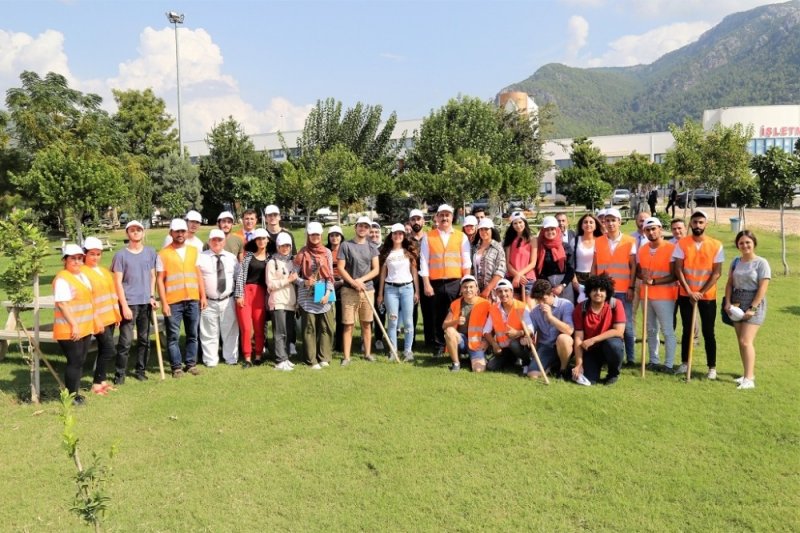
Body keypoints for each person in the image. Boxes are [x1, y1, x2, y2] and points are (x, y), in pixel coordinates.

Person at [672, 210, 724, 379]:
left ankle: (712, 367)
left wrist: (700, 292)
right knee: (687, 330)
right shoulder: (682, 244)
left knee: (709, 331)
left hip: (707, 296)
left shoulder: (716, 244)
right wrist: (689, 291)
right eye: (694, 222)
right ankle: (685, 363)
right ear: (690, 224)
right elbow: (678, 269)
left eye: (701, 222)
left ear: (706, 224)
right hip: (686, 294)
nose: (697, 225)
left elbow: (717, 273)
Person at [419, 204, 472, 357]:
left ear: (451, 217)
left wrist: (465, 283)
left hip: (456, 282)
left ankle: (457, 345)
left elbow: (466, 262)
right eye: (441, 215)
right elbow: (424, 261)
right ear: (436, 217)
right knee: (438, 315)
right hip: (435, 283)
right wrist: (426, 284)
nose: (444, 218)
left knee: (457, 315)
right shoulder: (428, 236)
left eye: (447, 215)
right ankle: (439, 347)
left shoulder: (461, 237)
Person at [157, 218, 206, 378]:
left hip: (192, 299)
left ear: (186, 232)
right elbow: (159, 279)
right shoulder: (163, 254)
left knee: (193, 334)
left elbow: (198, 274)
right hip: (173, 301)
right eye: (177, 231)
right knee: (173, 336)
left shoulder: (193, 251)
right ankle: (176, 367)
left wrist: (203, 296)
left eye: (182, 231)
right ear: (171, 233)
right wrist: (164, 303)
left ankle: (191, 364)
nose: (180, 234)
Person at [112, 220, 158, 383]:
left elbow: (153, 276)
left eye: (139, 230)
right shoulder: (120, 255)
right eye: (132, 230)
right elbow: (117, 282)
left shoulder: (151, 252)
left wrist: (152, 296)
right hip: (129, 303)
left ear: (143, 233)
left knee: (144, 340)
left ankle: (140, 370)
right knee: (125, 341)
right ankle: (120, 374)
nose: (136, 232)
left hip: (145, 302)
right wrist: (124, 306)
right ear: (127, 233)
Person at [723, 230, 770, 390]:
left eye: (748, 242)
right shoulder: (736, 261)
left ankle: (749, 379)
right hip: (736, 302)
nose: (744, 245)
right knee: (740, 342)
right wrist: (728, 302)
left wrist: (753, 307)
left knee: (745, 341)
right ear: (737, 245)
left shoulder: (761, 263)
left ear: (754, 243)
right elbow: (729, 283)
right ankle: (746, 374)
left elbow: (763, 288)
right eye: (741, 243)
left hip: (753, 302)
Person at [592, 208, 637, 365]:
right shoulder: (598, 241)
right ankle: (608, 357)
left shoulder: (630, 241)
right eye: (607, 220)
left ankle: (630, 358)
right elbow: (595, 265)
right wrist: (593, 287)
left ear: (619, 222)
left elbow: (633, 267)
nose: (610, 223)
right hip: (604, 293)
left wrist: (631, 287)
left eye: (613, 220)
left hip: (624, 291)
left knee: (627, 326)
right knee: (605, 324)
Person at [53, 244, 96, 405]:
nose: (77, 261)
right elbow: (63, 304)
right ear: (65, 260)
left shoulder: (82, 276)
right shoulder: (63, 279)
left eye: (79, 258)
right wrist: (74, 325)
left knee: (80, 361)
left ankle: (75, 394)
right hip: (69, 328)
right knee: (75, 361)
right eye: (73, 258)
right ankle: (71, 397)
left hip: (84, 327)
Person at [635, 217, 678, 373]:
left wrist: (654, 282)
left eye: (654, 229)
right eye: (648, 229)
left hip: (665, 295)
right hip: (646, 294)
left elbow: (675, 275)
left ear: (660, 229)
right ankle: (653, 361)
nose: (651, 232)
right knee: (651, 329)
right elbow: (639, 272)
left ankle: (669, 364)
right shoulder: (642, 249)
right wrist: (642, 276)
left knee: (667, 330)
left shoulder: (671, 248)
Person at [80, 237, 121, 396]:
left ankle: (102, 381)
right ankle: (97, 383)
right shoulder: (83, 273)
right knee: (109, 349)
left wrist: (116, 315)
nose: (95, 257)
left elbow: (112, 294)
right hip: (97, 319)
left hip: (109, 317)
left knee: (105, 349)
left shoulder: (104, 271)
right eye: (92, 254)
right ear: (84, 254)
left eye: (98, 254)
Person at [337, 216, 380, 365]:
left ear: (369, 230)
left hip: (367, 291)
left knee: (367, 323)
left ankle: (367, 354)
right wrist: (353, 283)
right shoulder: (345, 245)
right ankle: (346, 357)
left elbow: (376, 270)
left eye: (366, 227)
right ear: (355, 227)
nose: (363, 229)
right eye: (360, 226)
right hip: (349, 290)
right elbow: (341, 268)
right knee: (348, 324)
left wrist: (361, 281)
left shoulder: (372, 247)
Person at [294, 222, 335, 369]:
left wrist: (328, 293)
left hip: (324, 292)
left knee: (326, 327)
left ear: (321, 235)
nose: (315, 237)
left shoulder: (327, 252)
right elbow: (294, 275)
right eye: (312, 235)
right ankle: (311, 359)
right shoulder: (302, 253)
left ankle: (324, 357)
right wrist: (304, 282)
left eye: (317, 235)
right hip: (307, 296)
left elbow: (330, 275)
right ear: (308, 235)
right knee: (309, 328)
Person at [571, 273, 626, 386]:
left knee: (614, 345)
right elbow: (578, 337)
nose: (598, 293)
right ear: (589, 292)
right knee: (590, 381)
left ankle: (613, 374)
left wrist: (593, 339)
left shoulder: (616, 304)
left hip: (609, 346)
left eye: (602, 290)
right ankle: (574, 369)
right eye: (594, 290)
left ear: (607, 293)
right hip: (590, 350)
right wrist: (578, 364)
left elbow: (618, 331)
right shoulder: (580, 308)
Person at [376, 223, 419, 362]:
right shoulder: (386, 253)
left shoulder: (408, 252)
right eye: (395, 233)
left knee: (408, 322)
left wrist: (417, 291)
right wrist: (380, 293)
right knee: (393, 321)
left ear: (404, 236)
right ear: (391, 235)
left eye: (400, 234)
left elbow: (414, 274)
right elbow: (383, 274)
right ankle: (393, 350)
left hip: (407, 288)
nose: (398, 236)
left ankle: (408, 350)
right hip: (390, 290)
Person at [198, 229, 239, 367]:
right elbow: (197, 280)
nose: (217, 242)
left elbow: (238, 278)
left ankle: (231, 358)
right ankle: (211, 360)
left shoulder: (231, 258)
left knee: (230, 330)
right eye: (214, 240)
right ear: (209, 242)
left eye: (220, 240)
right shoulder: (200, 258)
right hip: (208, 301)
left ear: (224, 241)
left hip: (228, 300)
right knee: (209, 332)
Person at [524, 279, 575, 380]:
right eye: (538, 300)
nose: (541, 303)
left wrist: (551, 318)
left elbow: (569, 330)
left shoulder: (566, 304)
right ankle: (553, 366)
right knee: (532, 375)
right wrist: (527, 336)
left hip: (562, 345)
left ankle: (563, 370)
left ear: (551, 293)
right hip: (546, 347)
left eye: (544, 299)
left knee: (563, 338)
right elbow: (531, 329)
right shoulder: (535, 311)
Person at [235, 227, 269, 367]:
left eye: (263, 238)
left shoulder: (271, 258)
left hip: (261, 294)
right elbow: (240, 276)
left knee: (259, 326)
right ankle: (248, 357)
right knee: (247, 328)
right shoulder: (248, 256)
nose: (261, 241)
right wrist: (239, 295)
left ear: (268, 240)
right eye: (258, 239)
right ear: (255, 241)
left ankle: (259, 355)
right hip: (245, 292)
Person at [442, 275, 491, 372]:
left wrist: (487, 342)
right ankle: (456, 363)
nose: (468, 290)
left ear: (477, 289)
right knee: (449, 331)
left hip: (477, 343)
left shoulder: (486, 304)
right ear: (461, 289)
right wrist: (456, 321)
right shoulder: (455, 304)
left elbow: (494, 326)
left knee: (478, 370)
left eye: (471, 287)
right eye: (465, 287)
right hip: (461, 341)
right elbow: (444, 325)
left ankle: (475, 358)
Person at [484, 279, 531, 372]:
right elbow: (486, 331)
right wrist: (494, 344)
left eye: (506, 291)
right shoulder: (493, 308)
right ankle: (512, 360)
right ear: (496, 293)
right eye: (500, 291)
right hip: (503, 348)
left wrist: (518, 333)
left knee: (514, 344)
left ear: (512, 292)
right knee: (490, 367)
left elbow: (531, 329)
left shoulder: (522, 306)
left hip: (520, 345)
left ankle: (527, 362)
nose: (503, 294)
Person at [267, 232, 298, 371]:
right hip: (278, 301)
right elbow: (271, 285)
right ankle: (280, 360)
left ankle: (285, 357)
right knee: (280, 332)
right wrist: (287, 280)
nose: (285, 248)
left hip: (290, 302)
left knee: (288, 331)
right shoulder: (272, 263)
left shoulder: (292, 262)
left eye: (287, 245)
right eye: (282, 246)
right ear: (278, 246)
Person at [409, 209, 435, 348]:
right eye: (413, 219)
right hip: (409, 280)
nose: (416, 222)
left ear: (423, 221)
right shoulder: (405, 240)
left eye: (418, 219)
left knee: (429, 312)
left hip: (427, 279)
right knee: (411, 313)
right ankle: (410, 342)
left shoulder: (430, 238)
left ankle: (430, 341)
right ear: (409, 222)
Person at [535, 216, 575, 303]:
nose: (550, 232)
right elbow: (539, 270)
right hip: (547, 287)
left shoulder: (565, 246)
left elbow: (571, 269)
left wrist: (562, 285)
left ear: (557, 230)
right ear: (543, 231)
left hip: (565, 285)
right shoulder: (540, 248)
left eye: (552, 229)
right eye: (547, 230)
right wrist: (549, 287)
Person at [503, 212, 537, 300]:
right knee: (514, 307)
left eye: (520, 222)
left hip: (527, 279)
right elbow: (508, 263)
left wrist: (519, 275)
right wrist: (516, 275)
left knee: (529, 308)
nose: (518, 225)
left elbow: (533, 263)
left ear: (524, 222)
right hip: (512, 277)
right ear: (512, 225)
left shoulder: (532, 240)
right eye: (515, 223)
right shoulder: (509, 240)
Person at [472, 218, 506, 299]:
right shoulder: (475, 248)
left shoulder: (498, 248)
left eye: (486, 229)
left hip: (492, 292)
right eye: (481, 230)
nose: (483, 232)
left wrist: (488, 289)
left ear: (492, 230)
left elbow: (500, 271)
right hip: (477, 291)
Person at [572, 214, 603, 301]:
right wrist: (574, 281)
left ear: (596, 225)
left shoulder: (601, 241)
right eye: (585, 222)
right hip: (577, 278)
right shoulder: (575, 241)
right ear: (581, 225)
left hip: (596, 277)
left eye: (591, 222)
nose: (588, 224)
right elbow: (570, 263)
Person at [326, 225, 345, 352]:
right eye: (332, 235)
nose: (334, 238)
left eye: (337, 235)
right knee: (325, 316)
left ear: (341, 237)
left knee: (340, 316)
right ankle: (325, 343)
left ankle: (339, 345)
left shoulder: (346, 249)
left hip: (342, 284)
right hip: (325, 284)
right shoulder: (324, 250)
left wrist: (342, 281)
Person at [369, 221, 386, 351]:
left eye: (376, 232)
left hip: (382, 286)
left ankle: (379, 339)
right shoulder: (365, 247)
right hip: (368, 285)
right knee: (367, 314)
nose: (374, 235)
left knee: (380, 313)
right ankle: (366, 339)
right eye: (372, 232)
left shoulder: (385, 248)